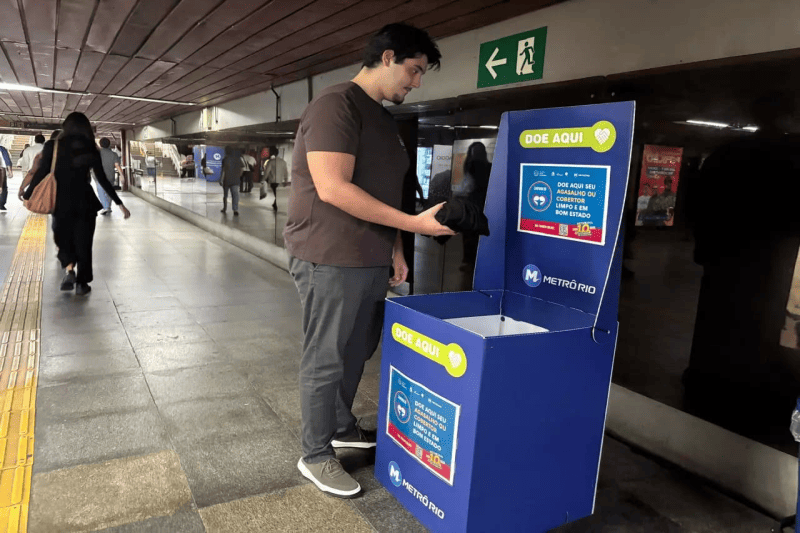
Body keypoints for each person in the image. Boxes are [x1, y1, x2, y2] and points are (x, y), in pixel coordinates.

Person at [284, 22, 454, 498]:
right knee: (326, 356)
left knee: (357, 348)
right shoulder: (335, 105)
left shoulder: (382, 118)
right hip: (329, 255)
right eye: (413, 70)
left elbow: (384, 191)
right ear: (387, 57)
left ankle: (341, 426)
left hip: (370, 256)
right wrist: (414, 225)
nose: (416, 82)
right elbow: (333, 188)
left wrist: (396, 247)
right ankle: (315, 454)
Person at [23, 112, 131, 295]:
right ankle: (82, 284)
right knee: (84, 243)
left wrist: (28, 194)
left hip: (60, 202)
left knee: (63, 238)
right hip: (85, 202)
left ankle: (69, 270)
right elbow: (102, 179)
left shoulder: (53, 146)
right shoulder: (90, 148)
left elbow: (41, 173)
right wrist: (119, 203)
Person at [454, 142, 492, 271]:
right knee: (479, 235)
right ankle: (477, 262)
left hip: (472, 205)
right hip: (484, 206)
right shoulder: (489, 167)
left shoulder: (470, 166)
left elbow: (467, 186)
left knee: (469, 235)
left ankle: (469, 262)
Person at [19, 130, 60, 200]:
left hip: (41, 182)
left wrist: (22, 188)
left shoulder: (42, 150)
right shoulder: (71, 153)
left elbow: (31, 171)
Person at [94, 137, 124, 215]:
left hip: (99, 177)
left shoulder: (97, 153)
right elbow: (117, 165)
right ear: (109, 144)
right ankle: (108, 207)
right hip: (110, 176)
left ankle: (106, 207)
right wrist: (121, 175)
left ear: (100, 144)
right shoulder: (114, 154)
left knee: (101, 192)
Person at [261, 145, 287, 211]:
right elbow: (285, 172)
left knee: (276, 194)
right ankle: (275, 204)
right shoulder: (283, 162)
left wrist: (263, 179)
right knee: (277, 194)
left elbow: (267, 172)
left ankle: (275, 204)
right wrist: (286, 180)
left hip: (273, 181)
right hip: (280, 181)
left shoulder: (270, 162)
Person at [219, 146, 242, 216]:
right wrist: (238, 176)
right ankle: (235, 209)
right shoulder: (238, 159)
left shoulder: (225, 159)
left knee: (225, 195)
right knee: (235, 195)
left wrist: (221, 179)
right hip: (235, 180)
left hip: (227, 180)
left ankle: (224, 208)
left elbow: (223, 170)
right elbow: (242, 169)